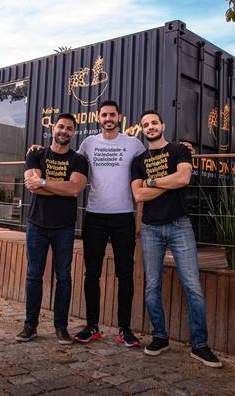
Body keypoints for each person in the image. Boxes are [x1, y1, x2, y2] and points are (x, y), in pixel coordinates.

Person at [130, 110, 222, 368]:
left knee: (192, 285)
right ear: (142, 130)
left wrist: (151, 182)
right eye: (145, 124)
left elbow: (183, 178)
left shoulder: (179, 150)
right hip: (150, 228)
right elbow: (138, 196)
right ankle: (159, 337)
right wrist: (165, 184)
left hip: (180, 225)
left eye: (154, 122)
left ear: (163, 125)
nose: (150, 127)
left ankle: (200, 345)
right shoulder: (138, 160)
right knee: (152, 286)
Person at [73, 100, 145, 347]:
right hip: (94, 216)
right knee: (92, 273)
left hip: (124, 216)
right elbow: (69, 161)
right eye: (104, 115)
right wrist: (40, 152)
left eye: (112, 115)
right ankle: (92, 326)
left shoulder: (134, 144)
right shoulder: (88, 143)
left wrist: (181, 149)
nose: (108, 119)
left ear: (119, 117)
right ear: (98, 118)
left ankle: (125, 329)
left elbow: (155, 160)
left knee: (125, 274)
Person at [15, 113, 88, 345]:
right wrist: (59, 187)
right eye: (61, 126)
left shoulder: (79, 160)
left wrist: (45, 182)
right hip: (37, 224)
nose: (64, 131)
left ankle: (61, 327)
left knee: (63, 277)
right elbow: (32, 187)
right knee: (33, 275)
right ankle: (30, 325)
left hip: (64, 227)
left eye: (69, 128)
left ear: (73, 132)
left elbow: (74, 189)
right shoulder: (35, 154)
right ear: (53, 128)